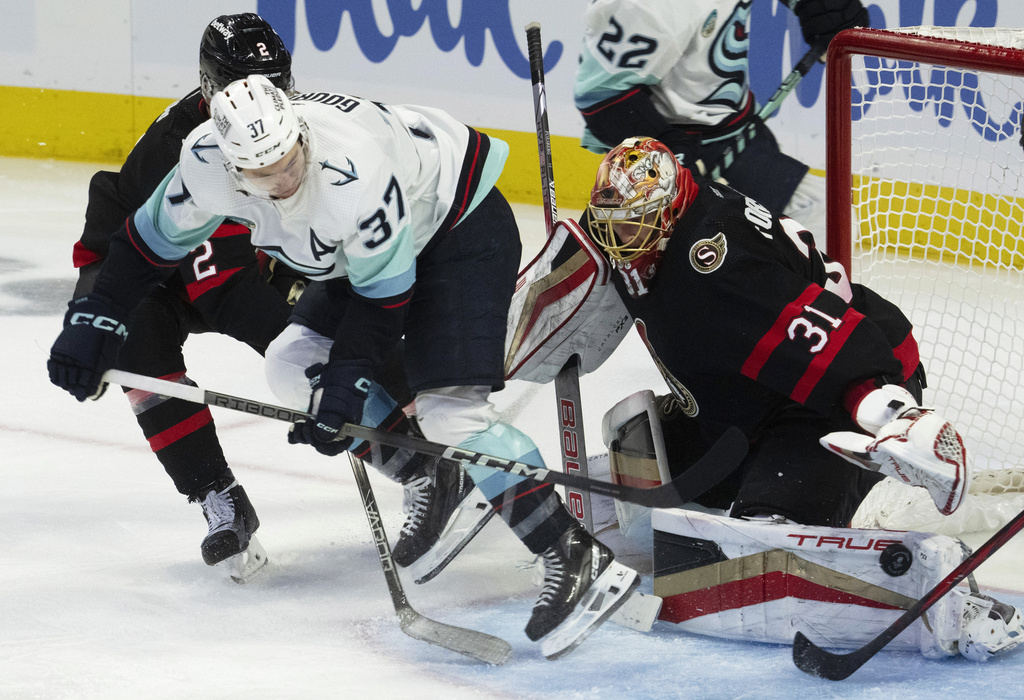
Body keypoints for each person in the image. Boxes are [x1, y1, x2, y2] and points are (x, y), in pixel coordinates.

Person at [47, 74, 639, 658]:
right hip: (355, 248)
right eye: (261, 171)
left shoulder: (348, 172)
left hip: (455, 226)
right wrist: (93, 318)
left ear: (299, 131)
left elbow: (386, 298)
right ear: (229, 165)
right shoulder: (203, 161)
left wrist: (345, 390)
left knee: (451, 414)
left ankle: (571, 551)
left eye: (288, 159)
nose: (281, 179)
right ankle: (428, 473)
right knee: (289, 362)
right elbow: (145, 245)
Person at [572, 136, 1018, 661]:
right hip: (748, 394)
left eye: (635, 223)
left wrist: (893, 415)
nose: (618, 236)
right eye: (612, 220)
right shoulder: (659, 222)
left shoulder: (716, 268)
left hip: (826, 397)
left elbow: (834, 347)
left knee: (765, 539)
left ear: (668, 214)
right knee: (635, 441)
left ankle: (944, 598)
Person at [573, 0, 870, 244]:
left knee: (829, 217)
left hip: (739, 138)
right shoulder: (646, 6)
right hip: (685, 157)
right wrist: (668, 155)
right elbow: (601, 97)